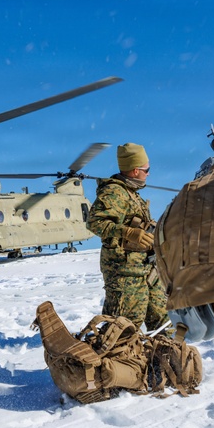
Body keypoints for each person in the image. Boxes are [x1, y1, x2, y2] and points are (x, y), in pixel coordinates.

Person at [86, 143, 168, 333]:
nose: (148, 174)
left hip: (144, 268)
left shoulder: (132, 194)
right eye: (147, 170)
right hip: (124, 272)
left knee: (163, 320)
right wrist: (127, 232)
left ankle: (161, 359)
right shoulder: (114, 193)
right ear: (135, 170)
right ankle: (116, 361)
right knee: (123, 328)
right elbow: (94, 223)